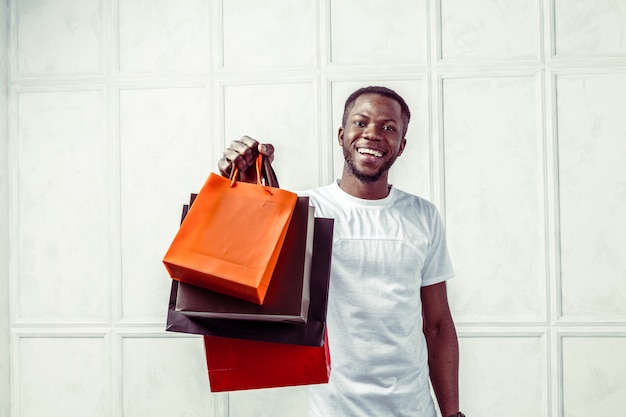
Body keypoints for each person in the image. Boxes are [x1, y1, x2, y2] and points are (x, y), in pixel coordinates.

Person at [218, 86, 464, 417]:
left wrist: (453, 414)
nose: (373, 134)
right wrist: (243, 185)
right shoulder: (306, 209)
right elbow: (245, 258)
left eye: (388, 127)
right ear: (341, 134)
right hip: (335, 409)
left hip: (414, 407)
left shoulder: (423, 215)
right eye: (360, 122)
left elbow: (437, 325)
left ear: (402, 145)